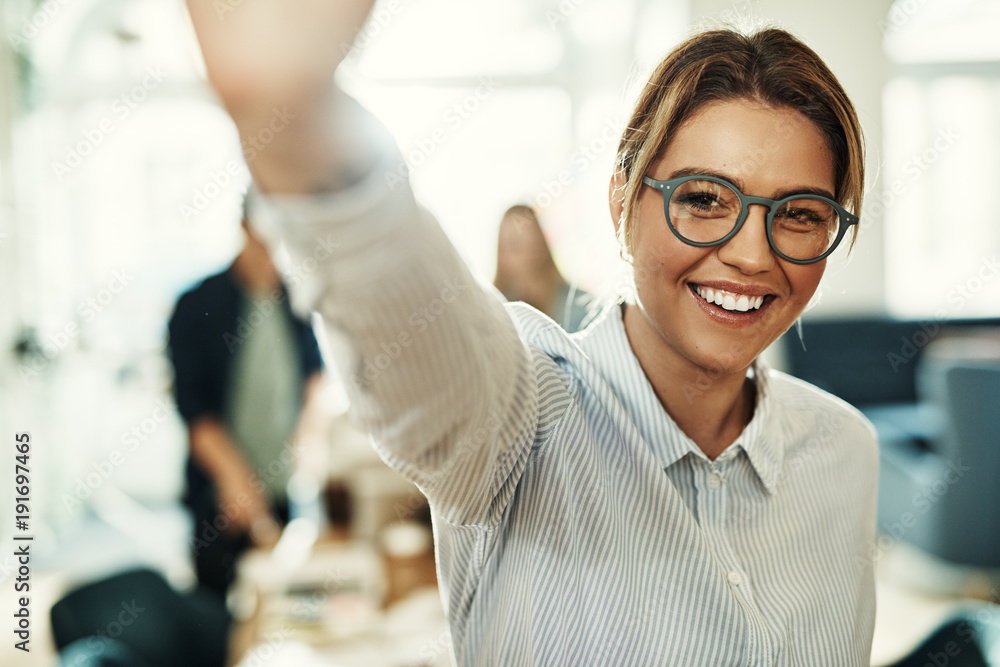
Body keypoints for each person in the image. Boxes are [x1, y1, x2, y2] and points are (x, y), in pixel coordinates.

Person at [185, 3, 877, 664]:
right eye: (702, 199)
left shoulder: (843, 450)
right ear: (622, 204)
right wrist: (294, 110)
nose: (753, 255)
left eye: (801, 213)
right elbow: (409, 323)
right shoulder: (523, 421)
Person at [166, 209, 325, 598]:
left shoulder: (296, 299)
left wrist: (307, 446)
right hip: (220, 493)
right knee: (218, 613)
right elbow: (196, 413)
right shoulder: (195, 305)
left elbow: (314, 379)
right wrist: (235, 481)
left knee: (279, 600)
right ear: (245, 227)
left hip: (282, 491)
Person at [493, 204, 593, 333]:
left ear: (543, 246)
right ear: (500, 252)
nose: (524, 253)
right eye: (514, 244)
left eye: (530, 242)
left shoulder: (581, 306)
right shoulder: (491, 310)